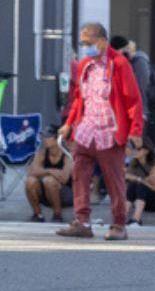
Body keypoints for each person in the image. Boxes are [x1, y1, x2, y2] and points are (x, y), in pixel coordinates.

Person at [57, 22, 144, 241]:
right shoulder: (85, 64)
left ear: (103, 41)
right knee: (80, 176)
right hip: (86, 129)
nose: (85, 46)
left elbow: (133, 99)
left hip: (109, 131)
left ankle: (119, 224)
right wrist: (69, 123)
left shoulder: (119, 63)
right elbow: (78, 98)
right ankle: (82, 222)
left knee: (114, 180)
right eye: (82, 42)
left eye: (89, 42)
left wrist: (135, 129)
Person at [110, 35, 155, 145]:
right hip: (125, 112)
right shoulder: (121, 63)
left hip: (138, 112)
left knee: (138, 147)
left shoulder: (139, 63)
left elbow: (138, 89)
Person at [24, 133, 73, 222]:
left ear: (58, 139)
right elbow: (31, 172)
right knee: (30, 181)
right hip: (47, 193)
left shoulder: (66, 155)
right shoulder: (42, 153)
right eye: (43, 137)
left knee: (49, 181)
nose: (44, 139)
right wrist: (50, 171)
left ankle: (57, 215)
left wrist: (42, 173)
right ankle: (37, 214)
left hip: (66, 194)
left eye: (48, 137)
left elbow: (64, 178)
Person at [125, 136, 155, 225]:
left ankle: (136, 220)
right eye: (133, 148)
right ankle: (122, 218)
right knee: (133, 185)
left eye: (138, 149)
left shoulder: (154, 165)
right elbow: (125, 175)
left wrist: (140, 180)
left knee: (139, 185)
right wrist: (138, 179)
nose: (135, 151)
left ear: (146, 151)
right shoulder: (134, 163)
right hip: (144, 199)